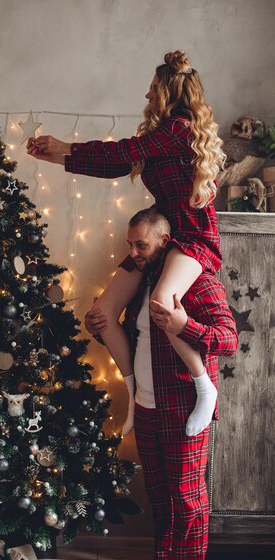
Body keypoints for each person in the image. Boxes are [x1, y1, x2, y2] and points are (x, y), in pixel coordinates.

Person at [26, 49, 226, 440]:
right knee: (103, 312)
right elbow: (118, 163)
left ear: (170, 93)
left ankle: (204, 386)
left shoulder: (178, 129)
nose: (148, 97)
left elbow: (122, 152)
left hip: (191, 237)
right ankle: (134, 394)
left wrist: (67, 146)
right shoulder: (159, 137)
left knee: (161, 304)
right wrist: (60, 158)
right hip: (162, 238)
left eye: (154, 90)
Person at [85, 207, 238, 560]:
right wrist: (97, 325)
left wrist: (184, 324)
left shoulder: (197, 283)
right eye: (130, 244)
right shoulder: (144, 284)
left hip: (185, 409)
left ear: (164, 242)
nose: (133, 252)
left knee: (189, 501)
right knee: (161, 497)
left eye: (141, 245)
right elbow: (134, 342)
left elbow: (228, 339)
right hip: (147, 406)